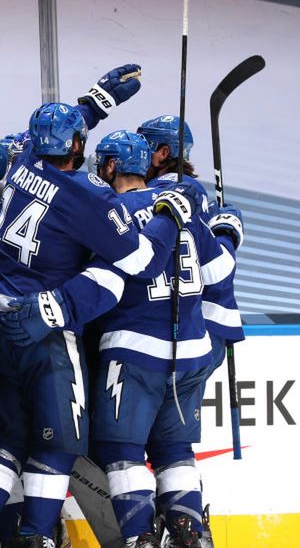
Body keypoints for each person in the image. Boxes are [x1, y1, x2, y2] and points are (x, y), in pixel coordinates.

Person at [0, 95, 201, 547]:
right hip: (48, 331)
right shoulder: (90, 197)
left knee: (6, 439)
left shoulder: (22, 163)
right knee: (56, 446)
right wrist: (172, 216)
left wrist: (95, 101)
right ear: (78, 143)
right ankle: (37, 538)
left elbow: (44, 142)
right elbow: (144, 260)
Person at [81, 130, 236, 547]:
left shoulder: (111, 212)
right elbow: (218, 275)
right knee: (175, 450)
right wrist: (226, 234)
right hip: (190, 352)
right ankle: (191, 535)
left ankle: (140, 538)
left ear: (112, 166)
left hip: (134, 350)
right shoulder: (183, 210)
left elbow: (95, 285)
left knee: (121, 450)